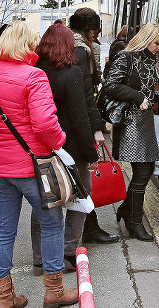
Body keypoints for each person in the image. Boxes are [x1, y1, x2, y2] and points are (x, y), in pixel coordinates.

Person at [0, 21, 78, 308]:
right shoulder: (34, 76)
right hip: (33, 166)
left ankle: (4, 298)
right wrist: (60, 140)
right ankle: (54, 291)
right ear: (28, 46)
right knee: (52, 225)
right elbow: (44, 124)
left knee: (3, 229)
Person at [30, 24, 100, 273]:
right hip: (70, 149)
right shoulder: (71, 73)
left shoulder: (34, 71)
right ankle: (69, 251)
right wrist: (92, 153)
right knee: (80, 195)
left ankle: (40, 257)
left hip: (40, 146)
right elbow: (80, 118)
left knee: (45, 199)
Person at [103, 23, 159, 242]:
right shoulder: (126, 57)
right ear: (146, 40)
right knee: (143, 171)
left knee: (147, 169)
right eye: (157, 43)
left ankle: (127, 211)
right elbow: (110, 85)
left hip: (143, 120)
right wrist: (136, 97)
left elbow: (146, 91)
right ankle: (133, 221)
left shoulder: (149, 59)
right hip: (130, 122)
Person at [69, 8, 120, 244]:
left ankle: (89, 226)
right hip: (79, 121)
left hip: (69, 120)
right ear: (91, 29)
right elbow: (86, 92)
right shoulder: (83, 51)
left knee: (77, 179)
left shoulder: (68, 45)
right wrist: (96, 127)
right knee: (82, 179)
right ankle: (87, 230)